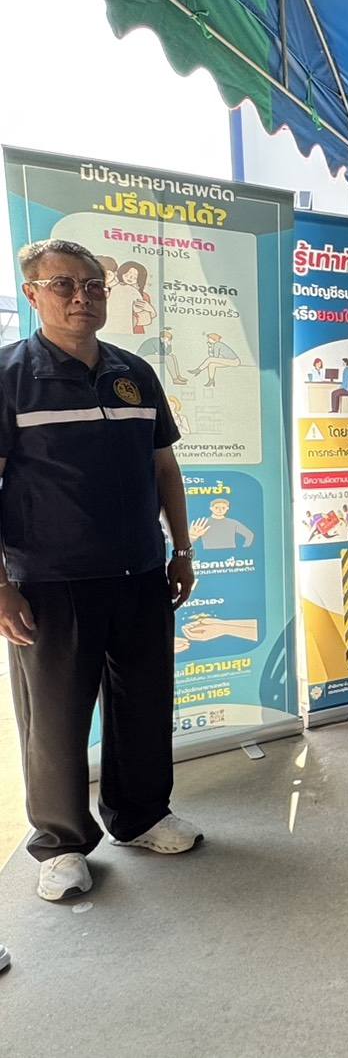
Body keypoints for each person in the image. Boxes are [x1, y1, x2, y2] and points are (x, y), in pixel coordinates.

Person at [0, 239, 203, 904]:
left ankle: (140, 816)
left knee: (143, 703)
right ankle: (60, 845)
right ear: (33, 294)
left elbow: (164, 467)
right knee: (55, 722)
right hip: (50, 582)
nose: (81, 297)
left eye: (92, 285)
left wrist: (181, 550)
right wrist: (1, 585)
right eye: (63, 285)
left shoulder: (132, 372)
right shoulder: (10, 376)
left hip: (140, 572)